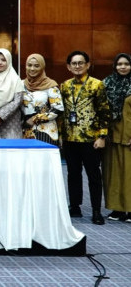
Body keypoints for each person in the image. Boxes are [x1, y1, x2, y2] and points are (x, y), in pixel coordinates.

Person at [60, 50, 111, 225]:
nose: (77, 66)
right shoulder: (65, 86)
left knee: (93, 175)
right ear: (68, 66)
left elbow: (104, 112)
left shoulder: (97, 85)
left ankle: (96, 210)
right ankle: (75, 206)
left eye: (80, 63)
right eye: (74, 63)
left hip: (91, 138)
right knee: (73, 174)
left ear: (88, 65)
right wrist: (61, 135)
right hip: (70, 138)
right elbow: (62, 113)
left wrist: (102, 136)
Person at [102, 53, 131, 221]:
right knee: (113, 172)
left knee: (129, 173)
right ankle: (117, 209)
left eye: (126, 64)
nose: (123, 67)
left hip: (128, 135)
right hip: (112, 134)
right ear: (115, 66)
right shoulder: (107, 83)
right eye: (119, 64)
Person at [21, 53, 64, 145]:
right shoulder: (21, 84)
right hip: (25, 131)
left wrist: (35, 119)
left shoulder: (50, 85)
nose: (32, 69)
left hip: (46, 131)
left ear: (42, 67)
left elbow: (58, 109)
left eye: (36, 66)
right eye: (29, 65)